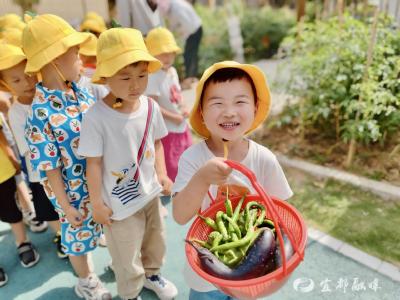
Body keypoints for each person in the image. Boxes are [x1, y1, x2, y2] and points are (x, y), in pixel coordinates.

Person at [172, 61, 293, 299]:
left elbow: (282, 220)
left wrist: (278, 270)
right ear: (202, 114)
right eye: (217, 103)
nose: (229, 112)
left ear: (255, 108)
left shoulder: (264, 159)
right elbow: (179, 215)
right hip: (207, 273)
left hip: (253, 274)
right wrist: (202, 178)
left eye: (240, 102)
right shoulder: (193, 159)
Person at [78, 27, 178, 300]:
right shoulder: (95, 118)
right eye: (126, 77)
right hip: (119, 206)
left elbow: (156, 142)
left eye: (142, 76)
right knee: (126, 253)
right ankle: (130, 292)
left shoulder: (150, 107)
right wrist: (97, 204)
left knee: (156, 240)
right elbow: (94, 165)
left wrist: (162, 173)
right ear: (106, 77)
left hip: (150, 194)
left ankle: (153, 273)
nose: (136, 85)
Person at [22, 14, 111, 299]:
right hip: (72, 194)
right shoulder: (40, 114)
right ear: (56, 60)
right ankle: (86, 280)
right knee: (77, 240)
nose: (82, 61)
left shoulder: (80, 92)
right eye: (76, 55)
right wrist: (65, 206)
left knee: (97, 229)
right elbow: (50, 169)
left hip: (97, 184)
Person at [1, 42, 66, 258]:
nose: (27, 82)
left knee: (72, 198)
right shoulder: (17, 112)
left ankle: (81, 230)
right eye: (16, 80)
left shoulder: (49, 95)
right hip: (41, 172)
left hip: (66, 166)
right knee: (49, 206)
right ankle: (60, 235)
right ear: (5, 84)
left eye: (29, 74)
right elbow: (28, 148)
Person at [145, 27, 192, 182]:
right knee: (173, 168)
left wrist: (184, 107)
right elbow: (153, 105)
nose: (168, 57)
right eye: (162, 53)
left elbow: (177, 94)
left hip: (181, 125)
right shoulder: (153, 76)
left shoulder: (172, 71)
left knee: (189, 162)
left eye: (170, 52)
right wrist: (173, 117)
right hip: (168, 131)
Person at [0, 117, 40, 269]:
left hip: (1, 173)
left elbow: (2, 138)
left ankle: (23, 242)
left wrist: (12, 158)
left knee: (11, 210)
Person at [159, 0, 202, 85]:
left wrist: (180, 35)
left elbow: (185, 23)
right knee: (191, 54)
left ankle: (189, 79)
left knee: (189, 55)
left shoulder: (175, 8)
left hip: (194, 30)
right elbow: (173, 24)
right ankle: (192, 78)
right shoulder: (173, 5)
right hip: (194, 29)